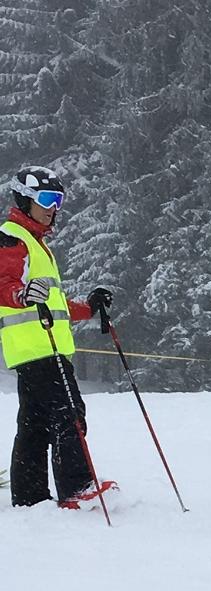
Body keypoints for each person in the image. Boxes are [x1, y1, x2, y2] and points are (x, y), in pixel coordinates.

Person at [1, 166, 114, 507]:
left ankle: (29, 495)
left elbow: (54, 303)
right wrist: (21, 295)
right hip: (40, 347)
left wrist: (89, 309)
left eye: (59, 200)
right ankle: (77, 488)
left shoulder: (36, 244)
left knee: (34, 424)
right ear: (25, 199)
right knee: (69, 414)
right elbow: (4, 285)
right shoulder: (13, 238)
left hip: (35, 350)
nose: (54, 208)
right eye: (47, 199)